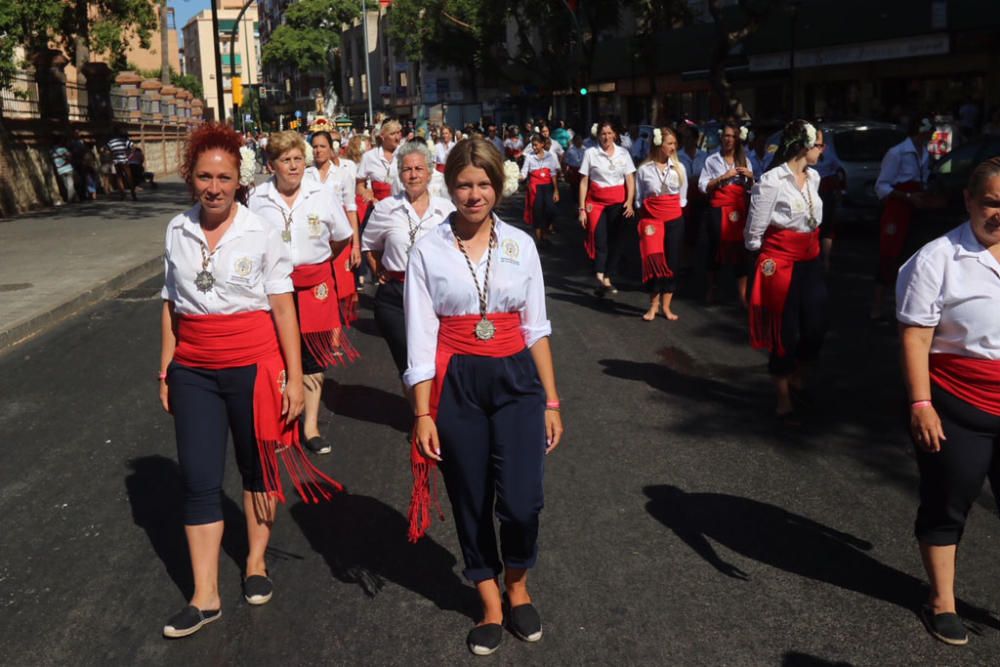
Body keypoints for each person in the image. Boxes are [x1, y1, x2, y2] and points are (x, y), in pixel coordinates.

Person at [159, 123, 340, 639]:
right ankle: (205, 595)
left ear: (240, 179)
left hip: (255, 365)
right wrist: (165, 367)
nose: (213, 186)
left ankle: (256, 561)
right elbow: (170, 304)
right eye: (203, 177)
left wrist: (293, 376)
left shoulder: (259, 231)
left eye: (224, 177)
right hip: (193, 367)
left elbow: (284, 308)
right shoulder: (177, 230)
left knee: (256, 468)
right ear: (190, 178)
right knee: (197, 479)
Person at [405, 137, 563, 656]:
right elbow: (420, 336)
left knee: (522, 501)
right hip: (456, 381)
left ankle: (518, 583)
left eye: (484, 184)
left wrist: (552, 401)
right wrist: (423, 411)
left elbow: (537, 327)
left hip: (517, 380)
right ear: (449, 186)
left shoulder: (522, 245)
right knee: (470, 496)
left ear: (499, 185)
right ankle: (490, 599)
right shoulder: (427, 248)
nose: (475, 195)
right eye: (465, 185)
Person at [896, 157, 1000, 647]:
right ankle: (941, 602)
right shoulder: (937, 258)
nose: (999, 213)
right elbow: (916, 338)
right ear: (969, 201)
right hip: (957, 402)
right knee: (948, 500)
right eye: (991, 203)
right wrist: (921, 404)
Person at [249, 131, 356, 456]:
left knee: (312, 356)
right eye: (286, 160)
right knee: (278, 354)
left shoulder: (321, 195)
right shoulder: (257, 198)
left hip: (314, 286)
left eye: (298, 159)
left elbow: (341, 237)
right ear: (272, 165)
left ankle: (310, 426)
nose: (294, 167)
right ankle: (284, 425)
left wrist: (315, 261)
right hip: (274, 288)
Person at [745, 120, 826, 423]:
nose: (822, 150)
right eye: (818, 144)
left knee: (817, 326)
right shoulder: (771, 181)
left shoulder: (815, 177)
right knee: (784, 332)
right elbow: (753, 234)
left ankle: (798, 376)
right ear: (804, 146)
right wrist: (768, 261)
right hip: (780, 264)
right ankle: (782, 396)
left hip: (810, 260)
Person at [362, 141, 455, 382]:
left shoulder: (446, 211)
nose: (413, 175)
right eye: (407, 169)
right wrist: (378, 269)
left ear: (429, 172)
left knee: (437, 359)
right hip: (396, 296)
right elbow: (369, 244)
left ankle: (433, 412)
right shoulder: (385, 209)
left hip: (437, 294)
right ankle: (418, 414)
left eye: (419, 169)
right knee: (409, 364)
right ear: (400, 174)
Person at [871, 117, 934, 320]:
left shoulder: (926, 153)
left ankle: (908, 307)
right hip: (898, 208)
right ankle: (877, 306)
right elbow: (882, 186)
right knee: (889, 254)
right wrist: (907, 197)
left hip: (918, 208)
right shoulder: (897, 153)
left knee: (915, 256)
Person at [306, 130, 362, 323]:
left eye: (322, 146)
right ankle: (323, 326)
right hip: (315, 238)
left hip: (340, 238)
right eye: (315, 147)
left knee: (341, 286)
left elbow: (351, 209)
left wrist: (355, 245)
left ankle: (337, 334)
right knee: (320, 286)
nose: (318, 151)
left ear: (331, 149)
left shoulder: (342, 175)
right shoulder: (306, 175)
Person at [577, 120, 637, 295]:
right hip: (595, 202)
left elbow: (630, 179)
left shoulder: (623, 153)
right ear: (598, 135)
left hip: (618, 202)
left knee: (616, 240)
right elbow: (584, 181)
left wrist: (630, 200)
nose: (606, 137)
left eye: (610, 133)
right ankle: (600, 273)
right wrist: (581, 209)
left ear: (615, 135)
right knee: (600, 239)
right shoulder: (590, 153)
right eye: (603, 134)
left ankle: (607, 276)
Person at [699, 121, 754, 306]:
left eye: (732, 136)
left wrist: (750, 177)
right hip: (719, 207)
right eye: (726, 136)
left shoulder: (745, 160)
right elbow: (703, 186)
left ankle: (742, 294)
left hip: (738, 207)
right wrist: (723, 178)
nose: (728, 139)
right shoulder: (712, 159)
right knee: (716, 246)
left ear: (737, 139)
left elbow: (752, 188)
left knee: (740, 249)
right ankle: (711, 289)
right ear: (721, 138)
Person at [635, 127, 687, 321]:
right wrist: (648, 217)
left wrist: (670, 212)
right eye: (670, 143)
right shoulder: (644, 170)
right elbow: (639, 199)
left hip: (673, 219)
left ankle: (666, 306)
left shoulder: (679, 169)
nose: (673, 147)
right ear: (659, 144)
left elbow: (682, 198)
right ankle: (653, 305)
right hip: (652, 220)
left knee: (672, 262)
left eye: (675, 144)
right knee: (654, 262)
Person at [357, 120, 403, 224]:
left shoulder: (405, 153)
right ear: (382, 136)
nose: (397, 137)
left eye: (398, 133)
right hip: (377, 209)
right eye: (392, 134)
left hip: (401, 208)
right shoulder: (369, 156)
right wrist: (369, 196)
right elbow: (360, 185)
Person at [811, 129, 844, 270]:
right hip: (813, 190)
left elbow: (838, 168)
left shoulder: (828, 151)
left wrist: (839, 188)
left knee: (827, 226)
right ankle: (815, 257)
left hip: (826, 191)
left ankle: (825, 259)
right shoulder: (807, 153)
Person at [519, 134, 561, 246]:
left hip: (547, 186)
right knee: (537, 213)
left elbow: (553, 174)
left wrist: (556, 190)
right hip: (535, 188)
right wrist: (518, 177)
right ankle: (539, 240)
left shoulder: (550, 156)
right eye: (533, 145)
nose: (534, 148)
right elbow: (524, 172)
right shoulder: (529, 157)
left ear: (542, 144)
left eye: (536, 145)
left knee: (550, 210)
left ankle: (545, 233)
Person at [678, 124, 709, 265]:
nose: (688, 141)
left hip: (700, 197)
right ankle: (685, 260)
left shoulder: (704, 156)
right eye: (685, 138)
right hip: (684, 197)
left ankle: (696, 259)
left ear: (696, 139)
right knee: (685, 230)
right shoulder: (678, 156)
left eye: (690, 138)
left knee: (698, 229)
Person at [106, 126, 136, 200]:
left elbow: (106, 151)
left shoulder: (110, 142)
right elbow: (133, 147)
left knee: (119, 177)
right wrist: (129, 154)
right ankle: (133, 194)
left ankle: (122, 195)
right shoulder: (124, 140)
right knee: (129, 177)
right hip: (124, 161)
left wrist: (112, 155)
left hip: (116, 161)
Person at [50, 136, 76, 204]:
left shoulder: (52, 152)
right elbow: (70, 156)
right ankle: (71, 199)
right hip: (68, 168)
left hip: (60, 170)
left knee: (66, 185)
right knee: (70, 184)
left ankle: (72, 198)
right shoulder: (63, 149)